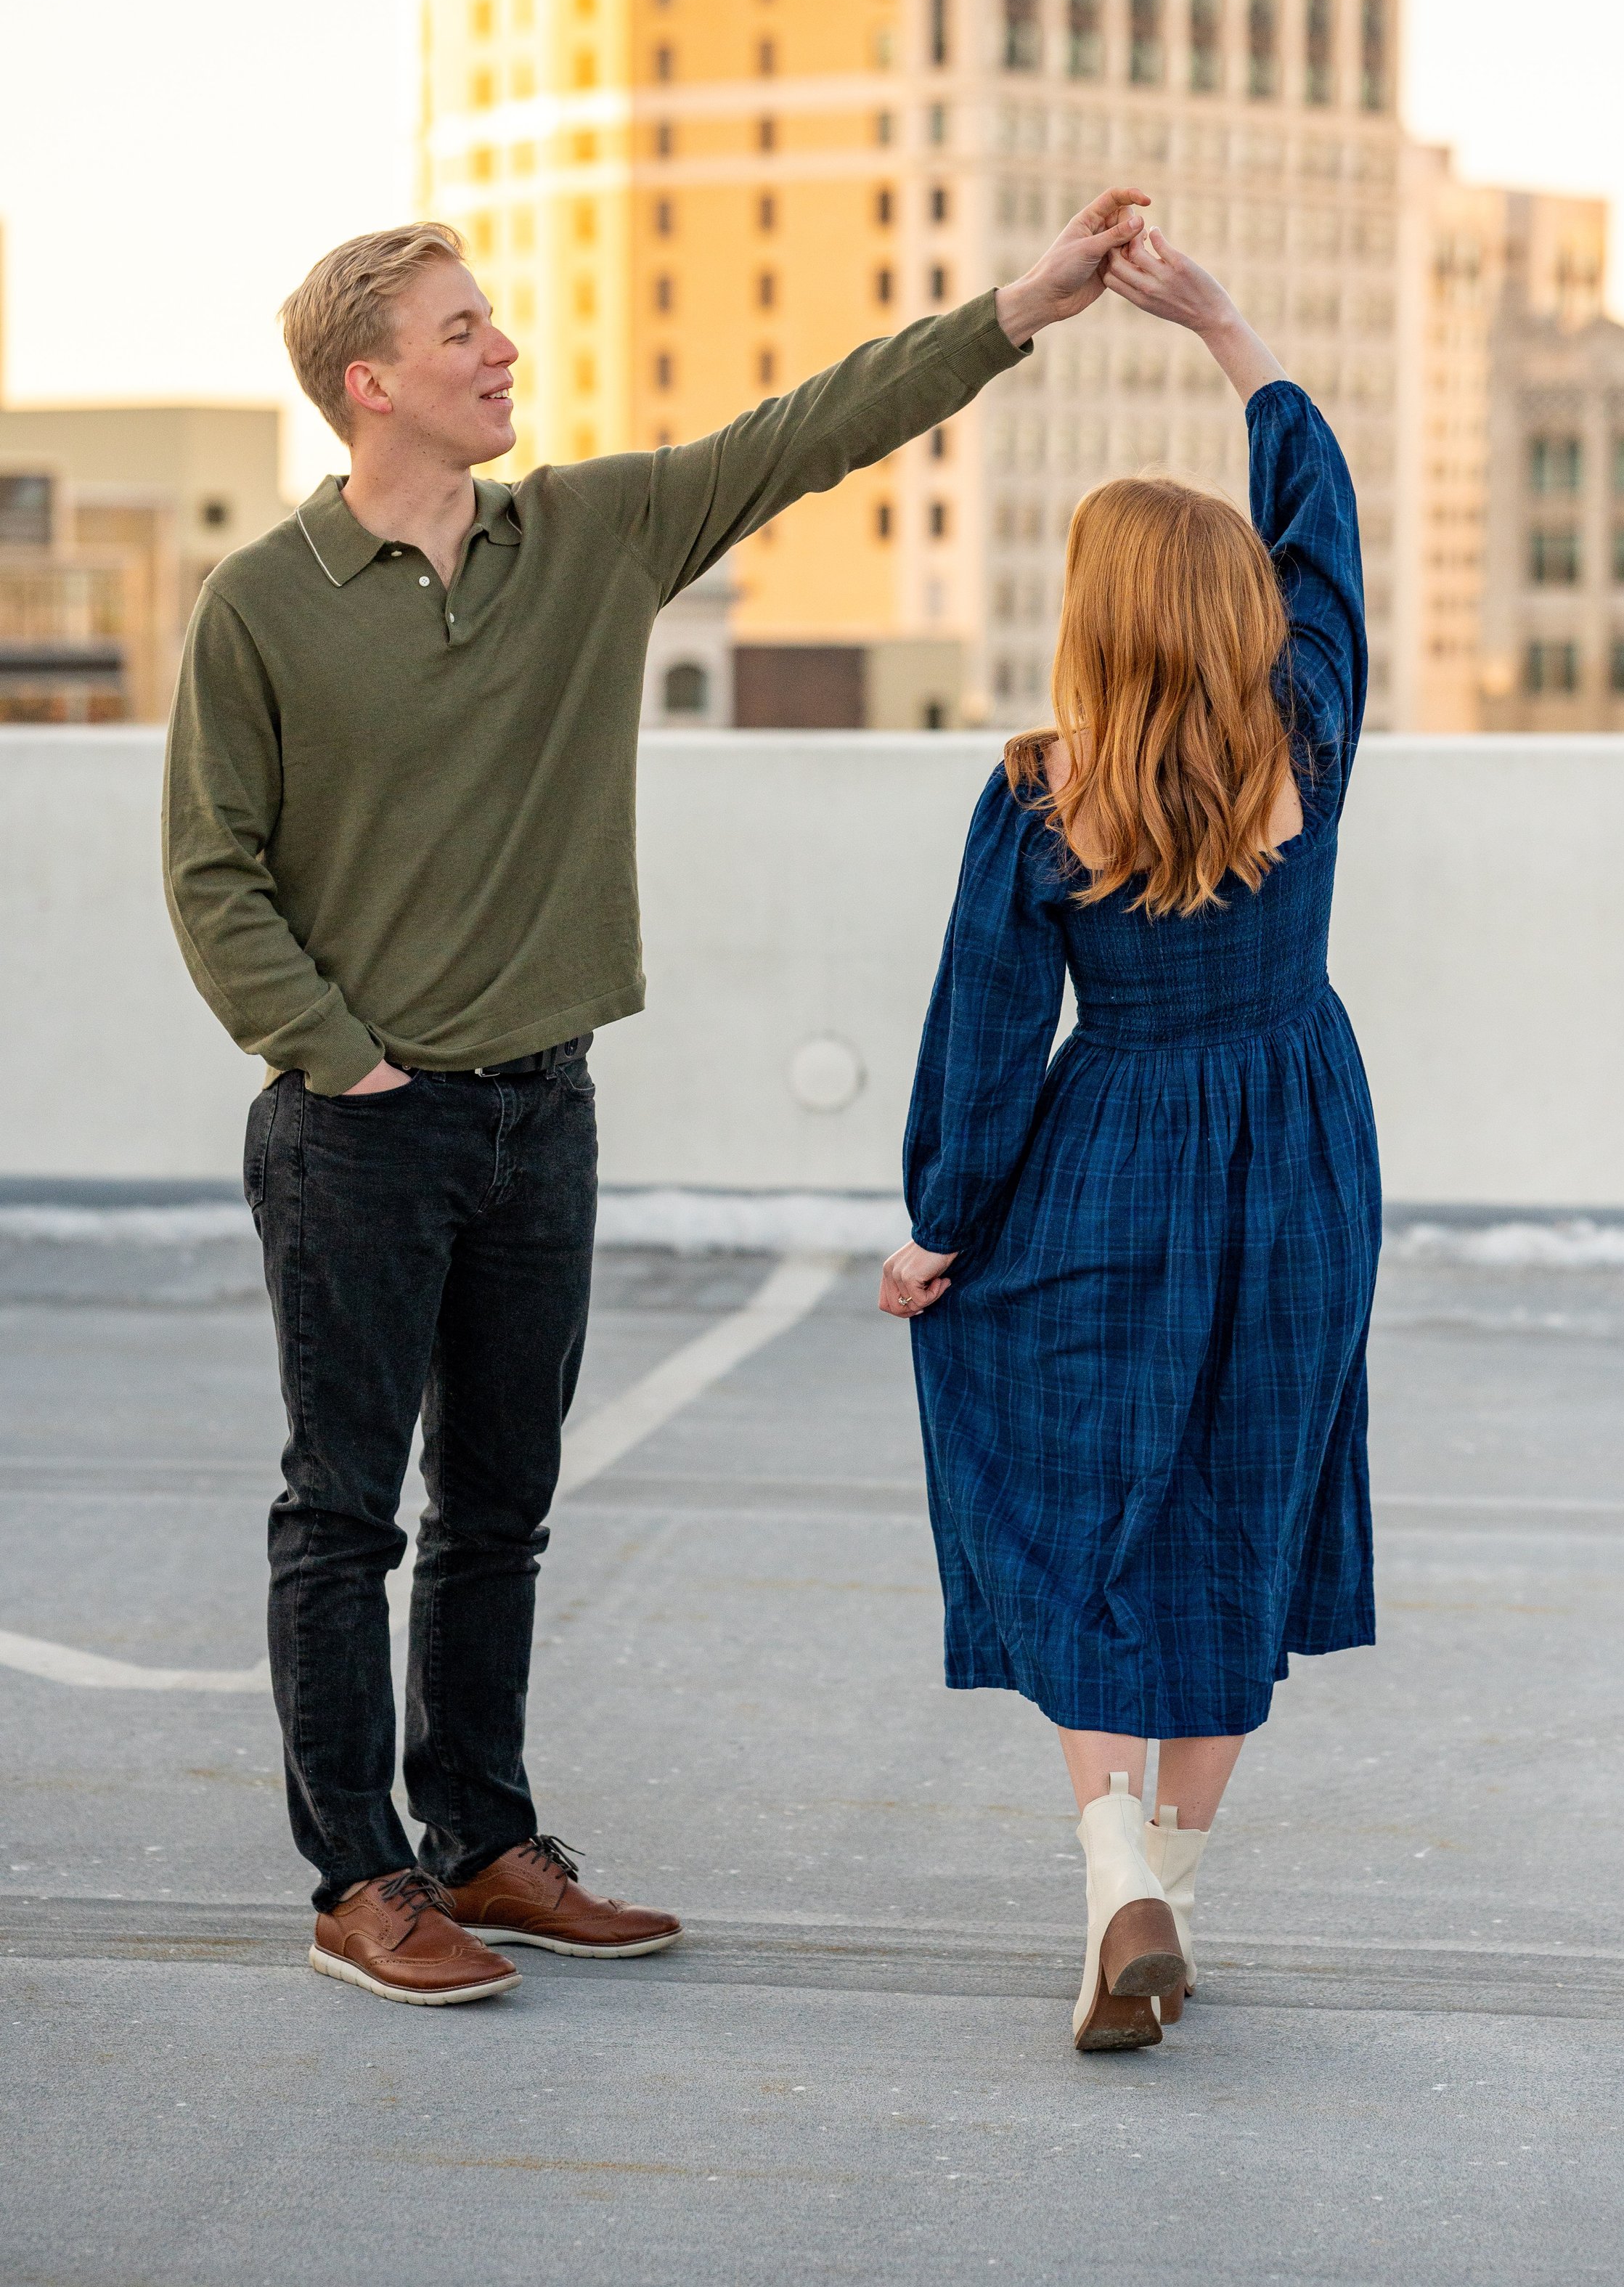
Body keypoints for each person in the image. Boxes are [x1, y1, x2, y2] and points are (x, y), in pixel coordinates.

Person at [163, 191, 1148, 2007]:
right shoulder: (264, 606)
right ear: (367, 382)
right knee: (343, 1512)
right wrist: (338, 1054)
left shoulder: (594, 535)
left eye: (495, 324)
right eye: (463, 331)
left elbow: (807, 431)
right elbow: (214, 869)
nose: (501, 350)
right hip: (358, 1129)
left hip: (544, 1107)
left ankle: (482, 1841)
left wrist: (1022, 306)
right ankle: (358, 1880)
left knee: (500, 1504)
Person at [880, 229, 1378, 2054]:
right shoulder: (1303, 735)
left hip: (1110, 1161)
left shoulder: (1037, 790)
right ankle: (1167, 1882)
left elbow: (986, 1037)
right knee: (1239, 1507)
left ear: (1091, 621)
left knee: (1082, 1511)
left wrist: (942, 1228)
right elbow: (1326, 537)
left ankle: (1114, 1876)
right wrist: (1229, 333)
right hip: (1299, 1150)